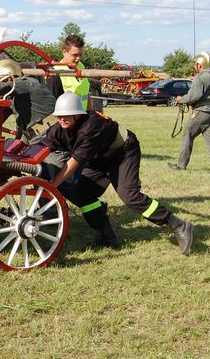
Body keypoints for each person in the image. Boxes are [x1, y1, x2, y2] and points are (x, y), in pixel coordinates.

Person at [41, 92, 195, 254]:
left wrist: (53, 185)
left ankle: (179, 225)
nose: (62, 119)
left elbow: (74, 161)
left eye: (67, 115)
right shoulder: (58, 129)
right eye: (59, 116)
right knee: (83, 193)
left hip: (123, 152)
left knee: (130, 196)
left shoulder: (90, 126)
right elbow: (44, 148)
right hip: (100, 157)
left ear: (78, 115)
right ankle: (106, 236)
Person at [168, 52, 210, 175]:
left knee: (187, 134)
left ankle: (181, 165)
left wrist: (180, 99)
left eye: (195, 64)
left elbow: (193, 96)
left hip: (201, 112)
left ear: (199, 65)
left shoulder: (200, 77)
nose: (194, 66)